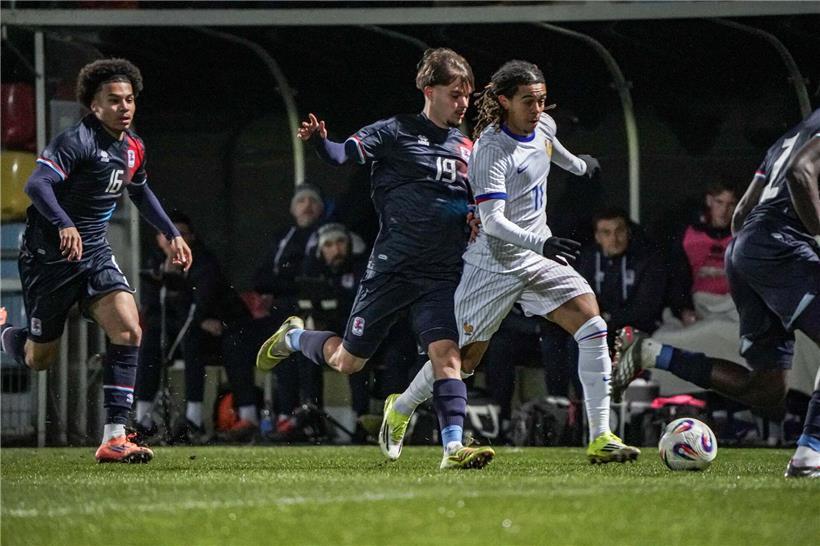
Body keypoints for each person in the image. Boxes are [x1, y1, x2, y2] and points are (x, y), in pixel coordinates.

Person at [380, 59, 640, 464]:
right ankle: (400, 408)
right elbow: (493, 223)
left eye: (541, 100)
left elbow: (552, 149)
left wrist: (579, 166)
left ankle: (601, 436)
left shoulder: (544, 126)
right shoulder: (490, 150)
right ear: (503, 101)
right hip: (495, 264)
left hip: (537, 258)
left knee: (593, 326)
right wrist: (543, 242)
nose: (538, 110)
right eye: (528, 102)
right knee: (461, 362)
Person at [256, 48, 494, 469]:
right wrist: (318, 143)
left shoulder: (467, 146)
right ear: (429, 91)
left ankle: (453, 448)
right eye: (455, 94)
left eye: (467, 96)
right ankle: (294, 338)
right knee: (349, 362)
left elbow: (473, 201)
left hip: (442, 273)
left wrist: (474, 218)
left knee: (448, 355)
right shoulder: (396, 131)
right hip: (393, 270)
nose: (462, 103)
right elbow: (339, 155)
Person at [0, 58, 191, 463]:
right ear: (94, 106)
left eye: (130, 100)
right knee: (38, 360)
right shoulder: (76, 142)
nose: (125, 107)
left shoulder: (133, 147)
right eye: (114, 100)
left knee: (128, 328)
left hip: (94, 253)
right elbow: (37, 183)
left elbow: (139, 191)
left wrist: (171, 232)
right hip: (49, 259)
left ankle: (115, 437)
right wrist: (64, 223)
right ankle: (3, 333)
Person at [611, 109, 820, 478]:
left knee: (767, 392)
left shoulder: (787, 138)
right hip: (781, 247)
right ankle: (810, 454)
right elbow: (801, 171)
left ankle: (654, 352)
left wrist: (750, 258)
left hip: (745, 249)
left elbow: (741, 214)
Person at [133, 212, 258, 444]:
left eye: (180, 235)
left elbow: (200, 305)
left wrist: (178, 287)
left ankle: (194, 418)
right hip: (182, 329)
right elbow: (152, 308)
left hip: (220, 329)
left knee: (195, 337)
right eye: (168, 235)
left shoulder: (204, 262)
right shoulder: (154, 263)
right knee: (151, 340)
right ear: (159, 239)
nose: (174, 241)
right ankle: (143, 419)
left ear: (191, 238)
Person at [576, 207, 667, 338]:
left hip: (636, 327)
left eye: (619, 231)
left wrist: (609, 319)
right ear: (597, 237)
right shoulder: (588, 260)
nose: (614, 239)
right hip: (598, 325)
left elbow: (646, 307)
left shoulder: (646, 259)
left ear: (628, 232)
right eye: (606, 233)